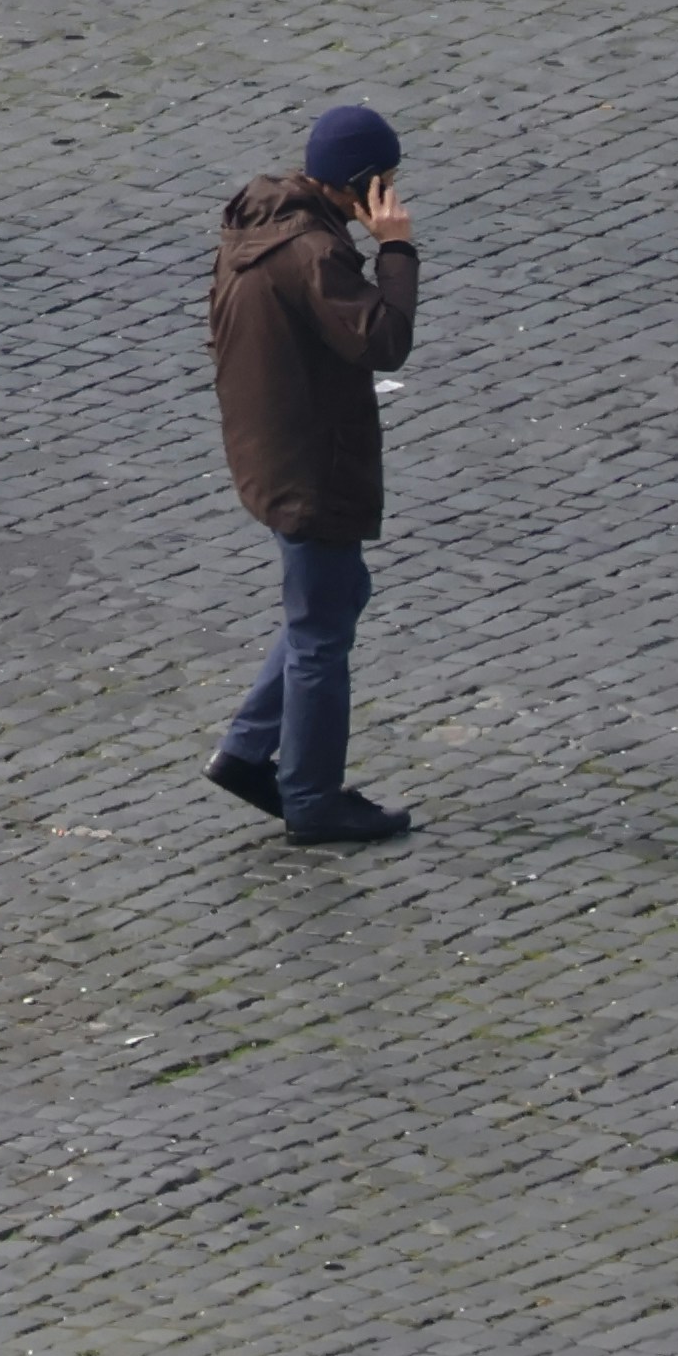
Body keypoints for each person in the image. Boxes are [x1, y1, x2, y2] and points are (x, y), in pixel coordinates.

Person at [207, 107, 423, 848]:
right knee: (321, 633)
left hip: (268, 451)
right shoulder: (314, 256)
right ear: (361, 185)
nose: (394, 196)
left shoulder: (257, 226)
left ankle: (246, 751)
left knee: (327, 604)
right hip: (311, 468)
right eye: (386, 183)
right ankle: (311, 797)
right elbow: (385, 340)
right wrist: (395, 249)